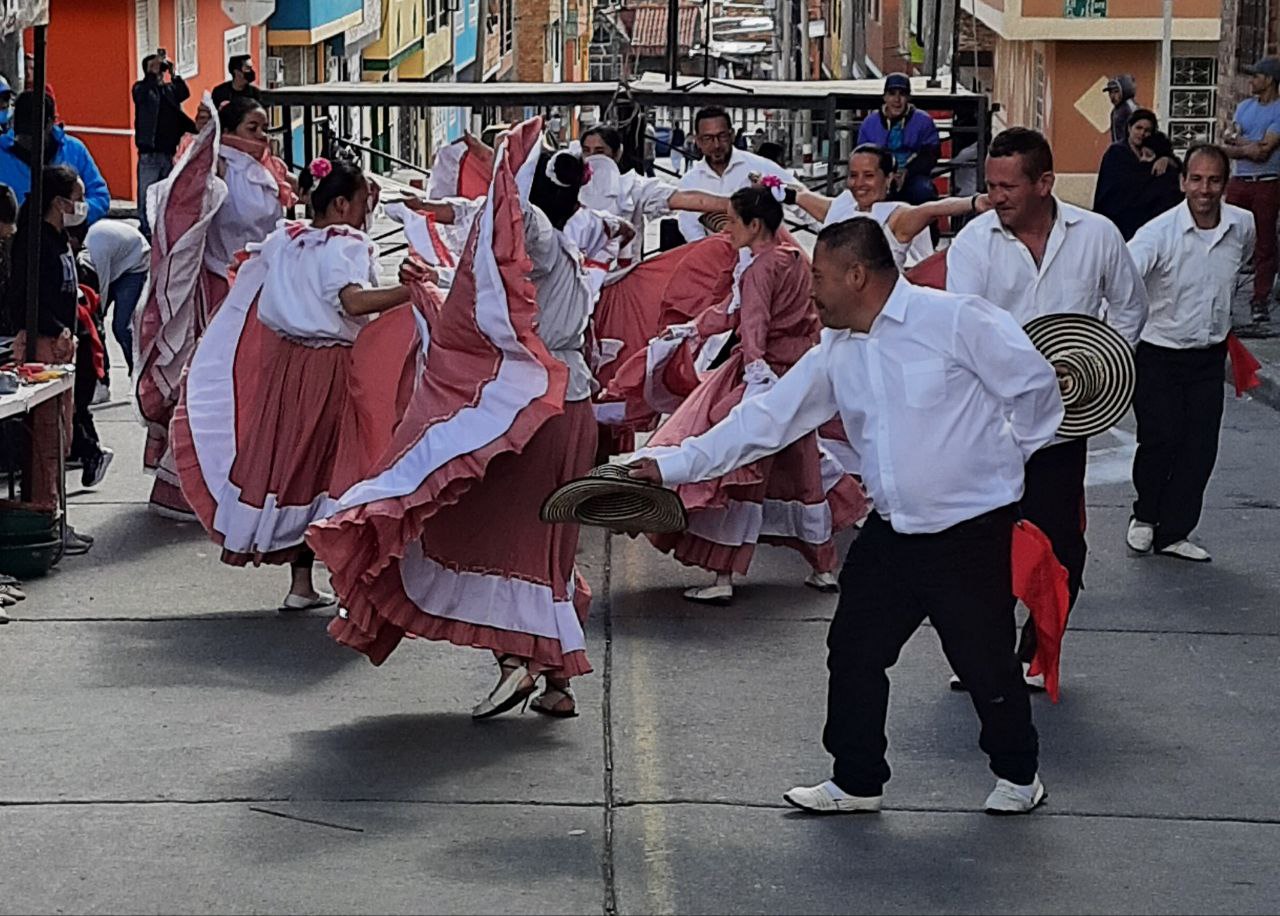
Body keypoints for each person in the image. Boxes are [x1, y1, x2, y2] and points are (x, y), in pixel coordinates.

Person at [628, 218, 1064, 814]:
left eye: (820, 279)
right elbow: (765, 421)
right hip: (892, 532)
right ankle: (857, 780)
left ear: (857, 275)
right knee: (855, 650)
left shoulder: (956, 319)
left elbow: (1036, 388)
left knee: (983, 661)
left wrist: (1006, 459)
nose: (811, 293)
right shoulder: (835, 351)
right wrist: (670, 464)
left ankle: (1019, 776)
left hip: (969, 531)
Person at [312, 120, 598, 719]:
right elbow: (489, 221)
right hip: (572, 408)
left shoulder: (539, 238)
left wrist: (502, 163)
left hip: (534, 413)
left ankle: (516, 662)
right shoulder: (570, 249)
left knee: (492, 531)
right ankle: (555, 680)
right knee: (550, 544)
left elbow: (508, 218)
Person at [946, 127, 1148, 684]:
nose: (996, 197)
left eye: (1008, 186)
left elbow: (1129, 309)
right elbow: (962, 331)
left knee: (1059, 544)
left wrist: (1100, 368)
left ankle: (1038, 650)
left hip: (1063, 428)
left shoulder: (1098, 235)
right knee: (982, 544)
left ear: (1045, 183)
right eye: (990, 185)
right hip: (990, 428)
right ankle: (984, 655)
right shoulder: (972, 244)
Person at [172, 157, 416, 610]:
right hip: (332, 367)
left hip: (285, 366)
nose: (368, 210)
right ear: (341, 204)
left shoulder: (286, 240)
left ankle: (301, 584)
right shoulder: (346, 245)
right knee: (342, 467)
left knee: (295, 467)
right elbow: (352, 302)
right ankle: (347, 581)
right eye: (364, 201)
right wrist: (410, 291)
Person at [636, 186, 866, 603]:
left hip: (763, 375)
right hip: (796, 374)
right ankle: (823, 566)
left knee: (737, 472)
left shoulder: (759, 268)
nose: (727, 232)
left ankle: (722, 575)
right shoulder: (795, 260)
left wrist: (755, 369)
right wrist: (696, 328)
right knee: (804, 471)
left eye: (733, 222)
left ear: (754, 225)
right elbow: (754, 313)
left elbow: (751, 323)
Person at [1125, 145, 1255, 562]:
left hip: (1207, 355)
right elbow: (1124, 279)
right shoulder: (1157, 234)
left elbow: (1242, 265)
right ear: (1183, 183)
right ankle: (1145, 517)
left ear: (1225, 185)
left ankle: (1175, 531)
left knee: (1200, 447)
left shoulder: (1242, 226)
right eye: (1196, 179)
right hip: (1158, 352)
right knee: (1160, 438)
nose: (1205, 189)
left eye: (1214, 180)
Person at [5, 165, 113, 530]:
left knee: (61, 434)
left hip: (64, 342)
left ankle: (54, 514)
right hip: (46, 344)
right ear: (58, 201)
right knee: (46, 438)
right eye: (78, 199)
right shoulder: (35, 241)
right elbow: (25, 297)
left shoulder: (58, 237)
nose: (82, 206)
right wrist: (54, 329)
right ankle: (44, 516)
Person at [785, 143, 984, 270]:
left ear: (888, 179)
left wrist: (975, 202)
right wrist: (774, 187)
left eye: (869, 176)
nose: (859, 183)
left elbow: (934, 209)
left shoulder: (896, 217)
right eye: (853, 175)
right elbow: (802, 196)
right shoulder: (843, 205)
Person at [580, 125, 729, 264]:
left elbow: (683, 199)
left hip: (620, 278)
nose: (592, 158)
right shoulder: (568, 186)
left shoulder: (632, 187)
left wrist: (734, 204)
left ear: (617, 153)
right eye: (586, 151)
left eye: (600, 152)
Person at [677, 106, 793, 242]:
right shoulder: (690, 182)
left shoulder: (760, 166)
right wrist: (709, 255)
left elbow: (799, 198)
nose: (716, 145)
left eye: (722, 136)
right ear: (698, 141)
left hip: (761, 257)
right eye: (708, 138)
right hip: (715, 256)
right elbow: (690, 228)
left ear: (731, 135)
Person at [1223, 56, 1280, 328]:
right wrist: (1249, 146)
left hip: (1267, 181)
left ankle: (1260, 300)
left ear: (1269, 80)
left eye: (1257, 76)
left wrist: (1239, 145)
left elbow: (1265, 150)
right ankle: (1224, 297)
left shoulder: (1279, 110)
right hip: (1240, 180)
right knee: (1229, 236)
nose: (1252, 80)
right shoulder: (1244, 107)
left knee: (1265, 243)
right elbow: (1228, 138)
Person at [0, 91, 111, 226]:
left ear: (50, 123)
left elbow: (100, 197)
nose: (27, 142)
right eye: (22, 135)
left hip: (69, 238)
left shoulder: (74, 150)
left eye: (33, 135)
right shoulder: (2, 153)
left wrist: (74, 215)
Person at [1092, 108, 1183, 241]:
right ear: (1130, 128)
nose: (1142, 133)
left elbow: (1176, 171)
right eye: (1138, 128)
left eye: (1147, 130)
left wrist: (1166, 160)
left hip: (1147, 222)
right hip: (1119, 218)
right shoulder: (1116, 153)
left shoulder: (1155, 149)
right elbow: (1112, 189)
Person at [132, 51, 195, 239]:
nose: (160, 70)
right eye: (156, 66)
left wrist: (174, 73)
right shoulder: (141, 89)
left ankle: (163, 229)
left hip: (169, 152)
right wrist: (152, 73)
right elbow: (147, 97)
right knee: (147, 194)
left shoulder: (168, 90)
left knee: (167, 194)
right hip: (149, 153)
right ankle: (146, 230)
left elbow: (184, 92)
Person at [855, 73, 941, 206]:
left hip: (913, 177)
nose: (897, 99)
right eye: (892, 93)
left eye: (902, 94)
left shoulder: (924, 121)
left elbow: (931, 154)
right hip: (879, 177)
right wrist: (884, 176)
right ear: (884, 97)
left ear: (908, 98)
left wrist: (907, 172)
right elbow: (862, 156)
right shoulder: (869, 123)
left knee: (924, 191)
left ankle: (928, 225)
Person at [84, 218, 150, 376]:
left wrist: (97, 318)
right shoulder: (86, 251)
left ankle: (139, 373)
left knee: (121, 326)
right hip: (117, 258)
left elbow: (102, 288)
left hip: (135, 262)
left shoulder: (97, 254)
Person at [1105, 75, 1140, 145]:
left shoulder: (1129, 107)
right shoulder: (1115, 111)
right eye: (1110, 93)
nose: (1112, 96)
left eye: (1116, 92)